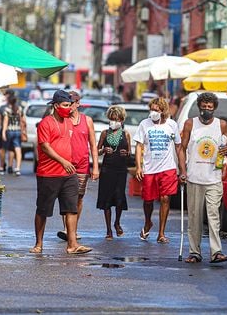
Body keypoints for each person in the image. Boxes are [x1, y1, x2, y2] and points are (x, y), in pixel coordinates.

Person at [30, 90, 92, 255]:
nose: (68, 108)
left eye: (70, 105)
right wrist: (62, 161)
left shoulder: (69, 123)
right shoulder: (46, 123)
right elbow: (45, 146)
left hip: (69, 173)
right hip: (48, 173)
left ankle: (72, 244)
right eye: (65, 105)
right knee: (43, 210)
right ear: (56, 106)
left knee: (71, 208)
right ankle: (39, 243)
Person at [179, 92, 227, 263]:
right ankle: (195, 252)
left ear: (214, 108)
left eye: (210, 107)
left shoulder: (222, 125)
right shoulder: (190, 124)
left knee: (213, 216)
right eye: (204, 106)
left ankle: (216, 252)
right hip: (194, 178)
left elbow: (226, 147)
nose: (206, 109)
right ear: (199, 106)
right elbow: (182, 149)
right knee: (194, 217)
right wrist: (183, 171)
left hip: (214, 178)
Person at [134, 97, 185, 244]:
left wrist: (183, 170)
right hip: (150, 168)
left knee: (165, 198)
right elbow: (138, 145)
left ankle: (161, 233)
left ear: (163, 111)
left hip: (167, 167)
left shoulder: (172, 125)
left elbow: (178, 147)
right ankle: (148, 222)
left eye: (156, 110)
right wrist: (139, 166)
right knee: (148, 200)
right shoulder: (145, 124)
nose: (153, 113)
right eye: (152, 109)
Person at [56, 91, 99, 241]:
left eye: (72, 102)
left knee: (78, 199)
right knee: (65, 197)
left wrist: (95, 167)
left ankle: (73, 229)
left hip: (82, 166)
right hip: (64, 164)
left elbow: (93, 145)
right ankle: (67, 229)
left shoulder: (87, 121)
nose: (70, 105)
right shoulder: (62, 119)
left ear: (78, 103)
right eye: (68, 102)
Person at [96, 105, 130, 240]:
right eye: (111, 119)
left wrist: (126, 153)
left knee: (119, 197)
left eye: (116, 119)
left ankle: (117, 222)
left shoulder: (125, 134)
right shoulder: (105, 133)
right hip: (107, 169)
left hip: (120, 169)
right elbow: (97, 150)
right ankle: (108, 229)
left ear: (121, 120)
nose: (113, 122)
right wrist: (104, 150)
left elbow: (129, 153)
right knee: (107, 199)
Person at [1, 96, 26, 176]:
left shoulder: (7, 110)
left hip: (10, 131)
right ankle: (17, 168)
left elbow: (5, 122)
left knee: (8, 149)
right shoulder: (20, 109)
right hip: (18, 131)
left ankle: (6, 166)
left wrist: (3, 133)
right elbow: (23, 121)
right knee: (17, 149)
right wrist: (24, 131)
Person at [0, 89, 15, 174]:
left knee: (1, 148)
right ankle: (10, 166)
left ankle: (2, 165)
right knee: (11, 149)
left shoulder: (3, 108)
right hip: (15, 130)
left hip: (5, 131)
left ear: (7, 96)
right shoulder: (17, 107)